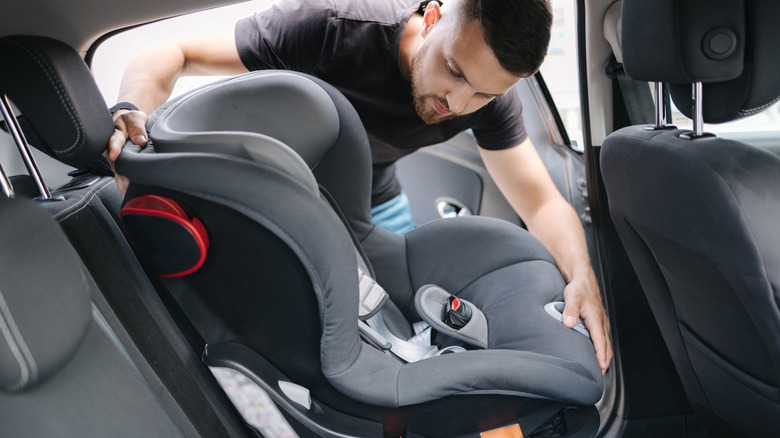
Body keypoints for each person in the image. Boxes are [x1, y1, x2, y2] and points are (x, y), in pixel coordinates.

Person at [106, 0, 613, 374]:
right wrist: (129, 112)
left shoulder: (489, 100)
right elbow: (171, 50)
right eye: (453, 71)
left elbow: (541, 201)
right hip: (286, 191)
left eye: (484, 92)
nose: (458, 103)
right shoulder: (332, 28)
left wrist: (582, 277)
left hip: (374, 195)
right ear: (433, 18)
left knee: (394, 317)